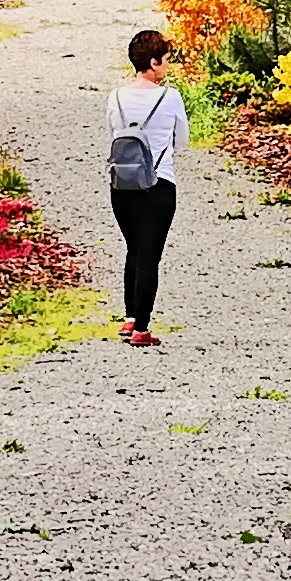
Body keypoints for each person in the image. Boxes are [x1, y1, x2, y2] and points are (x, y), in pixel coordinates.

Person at [105, 27, 187, 347]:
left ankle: (129, 317)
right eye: (165, 61)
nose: (166, 67)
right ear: (153, 62)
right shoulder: (171, 97)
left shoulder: (116, 97)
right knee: (149, 256)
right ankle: (142, 328)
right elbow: (181, 141)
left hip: (121, 185)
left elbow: (114, 134)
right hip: (158, 183)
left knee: (134, 248)